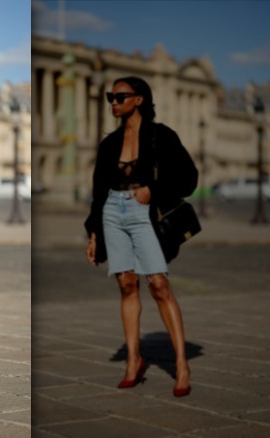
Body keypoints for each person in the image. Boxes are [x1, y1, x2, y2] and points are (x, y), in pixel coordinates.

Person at [84, 76, 197, 398]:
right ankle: (134, 360)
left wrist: (154, 190)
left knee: (159, 284)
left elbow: (188, 177)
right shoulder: (109, 144)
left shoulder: (161, 136)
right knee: (126, 284)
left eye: (120, 96)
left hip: (142, 210)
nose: (113, 103)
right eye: (110, 97)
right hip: (112, 211)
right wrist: (94, 234)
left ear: (139, 100)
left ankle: (181, 363)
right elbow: (97, 192)